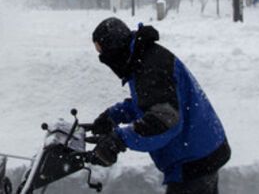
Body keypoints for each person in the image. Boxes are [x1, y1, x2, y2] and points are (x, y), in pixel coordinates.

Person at [89, 17, 230, 194]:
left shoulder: (150, 66)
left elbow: (163, 121)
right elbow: (148, 103)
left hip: (194, 159)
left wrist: (118, 140)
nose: (104, 60)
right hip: (197, 151)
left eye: (104, 54)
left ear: (115, 49)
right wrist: (113, 115)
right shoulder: (142, 58)